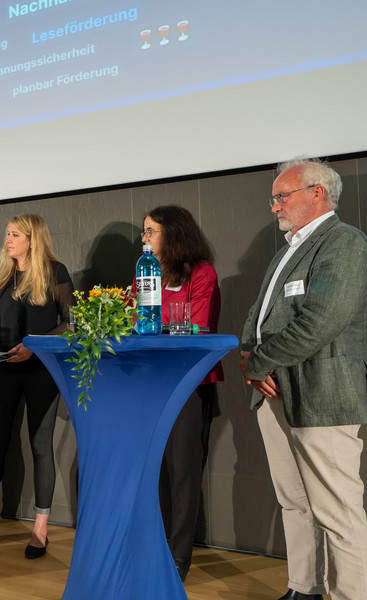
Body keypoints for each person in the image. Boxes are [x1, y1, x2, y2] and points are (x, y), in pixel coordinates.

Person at [240, 158, 367, 600]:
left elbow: (321, 321)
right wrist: (249, 352)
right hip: (275, 395)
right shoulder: (288, 250)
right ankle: (305, 588)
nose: (275, 207)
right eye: (274, 198)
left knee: (338, 514)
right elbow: (259, 314)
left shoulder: (345, 244)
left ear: (317, 193)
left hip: (323, 396)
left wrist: (259, 362)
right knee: (294, 503)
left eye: (282, 196)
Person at [0, 214, 74, 559]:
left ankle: (40, 530)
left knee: (40, 447)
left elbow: (70, 324)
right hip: (1, 369)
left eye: (15, 234)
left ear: (32, 239)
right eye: (7, 233)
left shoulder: (55, 272)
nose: (8, 239)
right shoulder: (2, 275)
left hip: (41, 371)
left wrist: (34, 345)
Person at [140, 205, 223, 581]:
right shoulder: (148, 272)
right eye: (144, 232)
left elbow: (199, 326)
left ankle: (178, 558)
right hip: (154, 382)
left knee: (184, 473)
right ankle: (155, 548)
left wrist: (160, 329)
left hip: (190, 383)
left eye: (151, 231)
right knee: (155, 471)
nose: (145, 239)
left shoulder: (202, 272)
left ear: (172, 234)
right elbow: (135, 319)